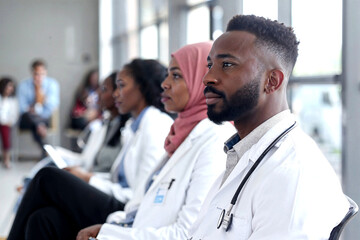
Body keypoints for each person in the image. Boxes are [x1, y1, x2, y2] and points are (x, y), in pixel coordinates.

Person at [188, 15, 349, 239]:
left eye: (227, 65)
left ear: (272, 81)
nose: (208, 78)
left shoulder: (293, 175)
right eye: (209, 65)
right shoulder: (243, 153)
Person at [76, 42, 235, 240]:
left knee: (49, 185)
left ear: (202, 81)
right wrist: (113, 227)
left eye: (176, 75)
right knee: (44, 218)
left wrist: (113, 234)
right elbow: (142, 207)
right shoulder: (180, 134)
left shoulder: (214, 141)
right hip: (135, 228)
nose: (165, 83)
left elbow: (188, 233)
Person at [7, 59, 174, 240]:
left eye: (122, 86)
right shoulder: (135, 127)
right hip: (116, 198)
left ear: (142, 87)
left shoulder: (155, 126)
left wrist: (89, 179)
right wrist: (88, 178)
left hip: (126, 211)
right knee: (42, 219)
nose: (117, 94)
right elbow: (116, 179)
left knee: (47, 177)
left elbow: (138, 195)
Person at [17, 59, 59, 156]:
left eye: (42, 74)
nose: (39, 77)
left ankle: (45, 150)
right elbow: (22, 108)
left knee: (36, 125)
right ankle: (47, 151)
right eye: (36, 74)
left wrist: (44, 98)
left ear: (46, 72)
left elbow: (53, 105)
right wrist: (31, 110)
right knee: (31, 119)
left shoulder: (52, 84)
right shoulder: (23, 85)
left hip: (44, 118)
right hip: (27, 118)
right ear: (32, 73)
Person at [0, 77, 18, 168]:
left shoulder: (13, 100)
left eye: (11, 86)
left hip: (6, 124)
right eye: (8, 86)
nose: (10, 89)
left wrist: (10, 122)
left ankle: (6, 160)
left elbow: (14, 115)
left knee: (5, 134)